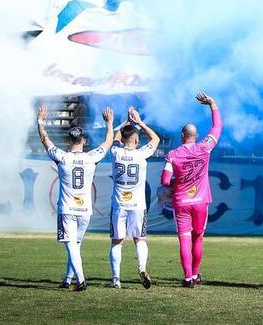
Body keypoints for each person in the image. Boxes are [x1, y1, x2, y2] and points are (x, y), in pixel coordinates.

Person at [37, 104, 114, 292]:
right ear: (84, 141)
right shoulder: (91, 157)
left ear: (68, 140)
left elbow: (45, 140)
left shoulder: (62, 157)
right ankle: (68, 278)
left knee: (71, 245)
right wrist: (109, 123)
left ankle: (81, 280)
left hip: (67, 209)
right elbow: (108, 142)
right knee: (76, 245)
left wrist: (40, 121)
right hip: (85, 210)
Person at [160, 93, 222, 288]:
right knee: (198, 237)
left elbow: (164, 180)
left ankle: (187, 278)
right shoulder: (205, 147)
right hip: (201, 201)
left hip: (181, 202)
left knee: (184, 239)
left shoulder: (172, 155)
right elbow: (218, 127)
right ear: (195, 136)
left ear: (182, 136)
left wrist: (176, 183)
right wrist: (212, 104)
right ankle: (195, 274)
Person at [108, 106, 161, 289]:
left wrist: (125, 123)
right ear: (137, 140)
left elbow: (115, 138)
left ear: (123, 140)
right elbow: (156, 139)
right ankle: (141, 267)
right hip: (138, 204)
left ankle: (116, 280)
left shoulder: (116, 152)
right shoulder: (141, 154)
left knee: (117, 242)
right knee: (140, 239)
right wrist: (139, 122)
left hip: (119, 204)